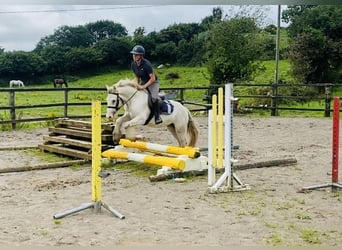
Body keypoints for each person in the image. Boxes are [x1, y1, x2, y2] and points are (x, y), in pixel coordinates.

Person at [130, 45, 163, 124]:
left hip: (153, 83)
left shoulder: (147, 64)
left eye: (136, 54)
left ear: (141, 56)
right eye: (133, 54)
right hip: (143, 82)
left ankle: (157, 116)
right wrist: (135, 85)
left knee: (154, 98)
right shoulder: (133, 64)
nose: (134, 56)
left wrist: (143, 87)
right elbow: (137, 77)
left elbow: (153, 78)